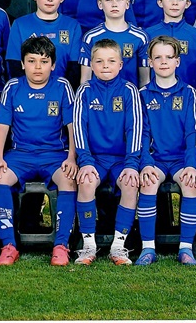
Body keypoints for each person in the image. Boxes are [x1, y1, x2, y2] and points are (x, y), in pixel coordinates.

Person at [0, 36, 78, 266]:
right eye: (31, 61)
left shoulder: (62, 86)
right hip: (21, 155)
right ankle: (9, 245)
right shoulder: (12, 87)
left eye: (44, 61)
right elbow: (1, 127)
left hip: (55, 154)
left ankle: (61, 245)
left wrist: (71, 157)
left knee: (69, 179)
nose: (38, 67)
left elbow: (72, 126)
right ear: (22, 63)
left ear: (53, 65)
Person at [72, 39, 146, 266]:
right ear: (91, 65)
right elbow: (79, 127)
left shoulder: (129, 90)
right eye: (99, 61)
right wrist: (85, 161)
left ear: (121, 65)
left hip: (121, 160)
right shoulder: (84, 91)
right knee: (85, 182)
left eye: (111, 61)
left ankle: (118, 246)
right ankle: (88, 245)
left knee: (130, 183)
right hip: (94, 159)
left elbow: (135, 128)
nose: (105, 66)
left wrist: (132, 164)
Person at [137, 36, 196, 265]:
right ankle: (147, 248)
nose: (163, 62)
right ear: (150, 62)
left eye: (169, 57)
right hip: (155, 159)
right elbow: (142, 134)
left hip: (181, 160)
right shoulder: (143, 94)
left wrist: (191, 165)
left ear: (177, 61)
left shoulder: (189, 93)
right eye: (158, 57)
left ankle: (185, 248)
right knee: (147, 182)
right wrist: (146, 163)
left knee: (190, 183)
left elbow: (193, 133)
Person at [6, 0, 82, 88]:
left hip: (60, 90)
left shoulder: (72, 26)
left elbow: (74, 67)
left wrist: (65, 90)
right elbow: (14, 64)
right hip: (27, 90)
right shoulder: (20, 25)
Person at [78, 0, 149, 87]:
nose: (114, 4)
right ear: (100, 4)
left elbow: (144, 80)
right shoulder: (91, 37)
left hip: (128, 96)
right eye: (108, 0)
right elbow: (85, 80)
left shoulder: (140, 37)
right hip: (98, 97)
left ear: (127, 4)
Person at [144, 0, 196, 92]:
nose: (175, 3)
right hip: (154, 97)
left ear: (187, 3)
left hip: (188, 96)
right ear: (160, 2)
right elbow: (144, 71)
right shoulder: (148, 34)